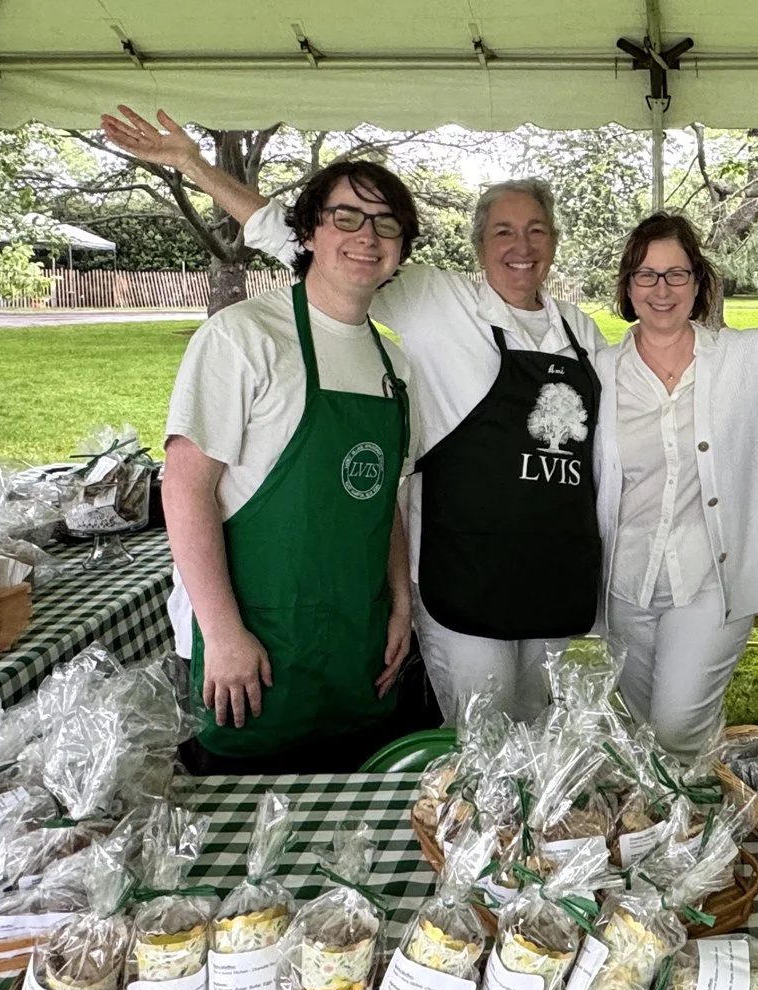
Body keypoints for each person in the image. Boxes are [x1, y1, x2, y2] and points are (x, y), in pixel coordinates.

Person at [104, 107, 607, 722]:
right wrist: (195, 166)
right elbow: (295, 236)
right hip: (464, 571)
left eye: (536, 231)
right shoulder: (432, 297)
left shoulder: (580, 329)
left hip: (549, 569)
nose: (521, 247)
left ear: (555, 241)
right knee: (484, 733)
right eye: (503, 231)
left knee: (544, 724)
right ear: (478, 245)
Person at [165, 159, 415, 773]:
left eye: (386, 224)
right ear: (306, 232)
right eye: (346, 217)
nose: (367, 237)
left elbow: (385, 502)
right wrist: (222, 633)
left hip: (355, 644)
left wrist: (402, 604)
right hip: (252, 648)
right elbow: (185, 488)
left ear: (402, 249)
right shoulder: (243, 337)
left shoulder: (395, 364)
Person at [596, 214, 758, 755]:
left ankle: (697, 813)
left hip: (711, 582)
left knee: (676, 724)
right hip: (625, 587)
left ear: (699, 283)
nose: (661, 290)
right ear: (628, 287)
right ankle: (682, 830)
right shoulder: (600, 373)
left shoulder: (746, 360)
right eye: (646, 275)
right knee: (647, 738)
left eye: (677, 275)